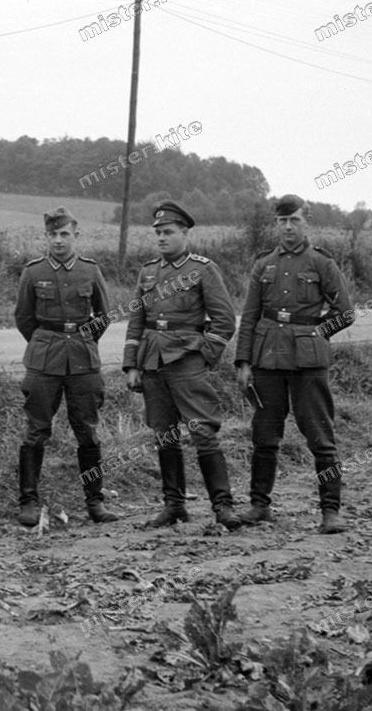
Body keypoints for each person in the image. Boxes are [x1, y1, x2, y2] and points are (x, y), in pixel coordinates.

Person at [234, 194, 354, 534]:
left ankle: (330, 511)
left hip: (307, 364)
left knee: (320, 436)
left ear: (306, 222)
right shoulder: (264, 264)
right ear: (277, 224)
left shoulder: (321, 263)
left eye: (294, 220)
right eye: (282, 221)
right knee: (264, 435)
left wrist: (315, 335)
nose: (288, 227)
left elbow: (345, 312)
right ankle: (259, 506)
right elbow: (250, 316)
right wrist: (243, 361)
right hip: (268, 360)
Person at [123, 200, 241, 531]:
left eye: (168, 232)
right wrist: (132, 365)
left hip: (187, 362)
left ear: (185, 233)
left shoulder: (203, 269)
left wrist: (203, 356)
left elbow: (224, 321)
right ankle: (174, 506)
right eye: (158, 233)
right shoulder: (148, 272)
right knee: (164, 434)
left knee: (203, 433)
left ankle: (223, 507)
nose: (162, 237)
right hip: (152, 362)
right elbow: (136, 321)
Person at [14, 206, 117, 526]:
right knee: (36, 431)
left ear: (76, 236)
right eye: (52, 234)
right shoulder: (33, 272)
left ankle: (95, 501)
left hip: (83, 361)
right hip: (44, 360)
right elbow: (24, 318)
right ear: (46, 237)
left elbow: (104, 315)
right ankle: (28, 501)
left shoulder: (90, 271)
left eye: (64, 234)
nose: (58, 240)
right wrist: (45, 341)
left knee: (88, 432)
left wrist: (83, 341)